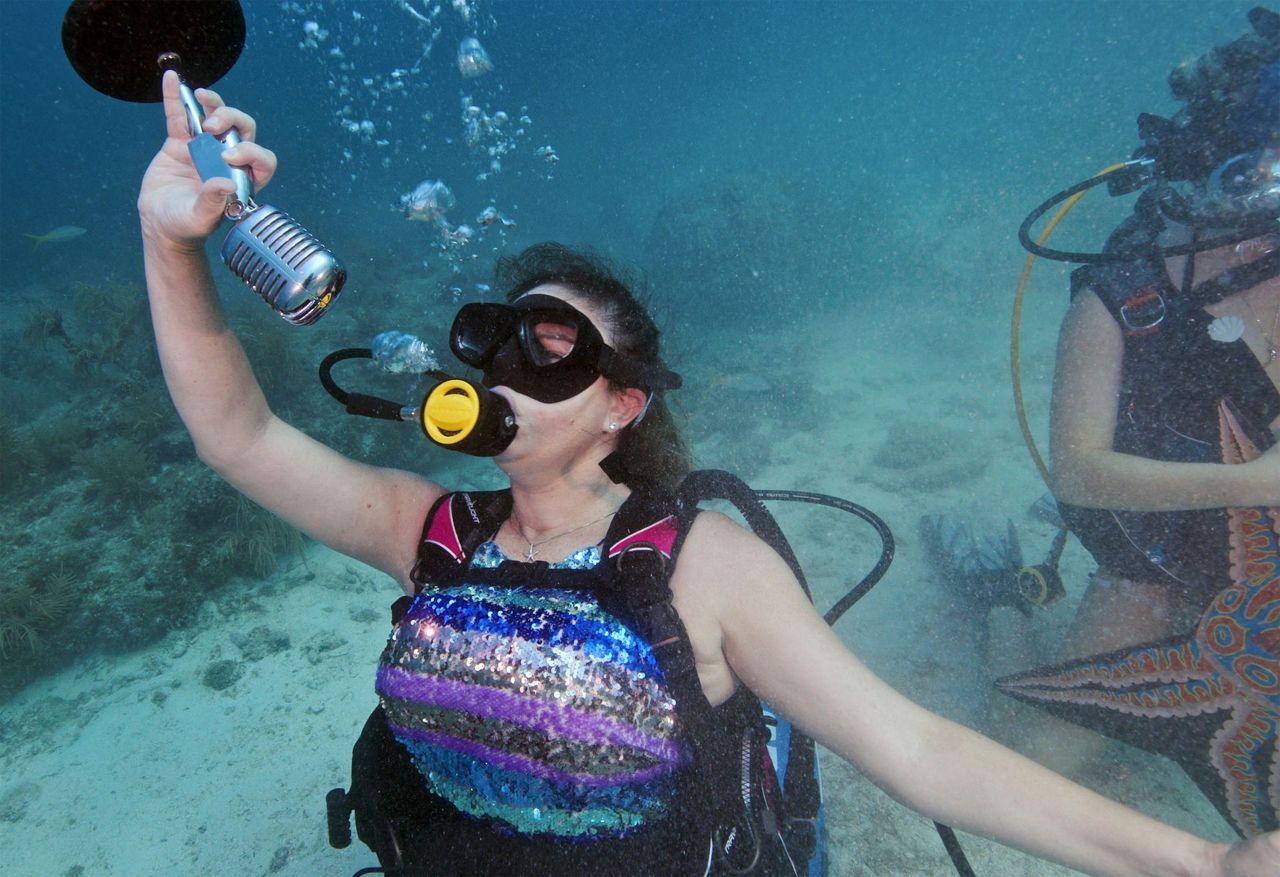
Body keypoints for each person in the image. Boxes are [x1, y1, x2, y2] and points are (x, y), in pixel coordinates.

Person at [138, 66, 1280, 875]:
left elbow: (915, 748)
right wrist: (169, 241)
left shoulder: (705, 569)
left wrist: (1196, 858)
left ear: (618, 408)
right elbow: (235, 434)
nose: (502, 370)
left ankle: (990, 602)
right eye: (490, 340)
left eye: (551, 351)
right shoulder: (428, 529)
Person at [1011, 6, 1280, 781]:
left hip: (1261, 554)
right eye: (1254, 175)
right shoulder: (1122, 294)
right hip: (1152, 551)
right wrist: (1253, 482)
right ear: (1213, 167)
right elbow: (1080, 470)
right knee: (1057, 756)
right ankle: (1002, 604)